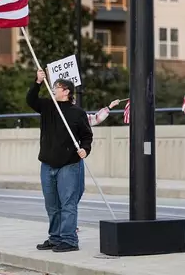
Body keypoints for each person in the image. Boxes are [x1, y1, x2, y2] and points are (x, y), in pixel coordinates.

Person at [27, 69, 93, 253]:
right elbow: (31, 100)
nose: (54, 89)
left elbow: (87, 136)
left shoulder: (77, 113)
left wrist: (85, 150)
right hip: (47, 163)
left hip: (69, 164)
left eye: (57, 87)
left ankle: (69, 240)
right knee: (51, 204)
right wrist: (38, 82)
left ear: (67, 91)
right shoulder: (48, 107)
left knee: (68, 203)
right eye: (54, 86)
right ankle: (55, 238)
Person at [76, 98, 121, 232]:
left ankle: (69, 223)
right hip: (63, 157)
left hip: (77, 156)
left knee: (77, 190)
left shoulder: (78, 115)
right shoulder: (57, 113)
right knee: (68, 193)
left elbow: (95, 119)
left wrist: (110, 107)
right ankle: (67, 225)